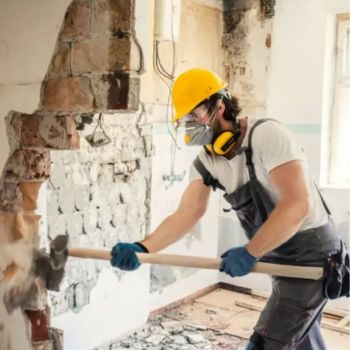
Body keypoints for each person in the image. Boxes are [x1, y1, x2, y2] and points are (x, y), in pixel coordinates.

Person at [111, 68, 348, 349]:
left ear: (219, 107)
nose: (189, 124)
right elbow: (187, 212)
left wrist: (250, 252)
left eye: (194, 115)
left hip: (313, 257)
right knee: (301, 340)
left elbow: (297, 204)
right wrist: (143, 248)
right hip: (278, 255)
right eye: (184, 119)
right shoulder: (209, 160)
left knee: (267, 342)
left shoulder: (267, 135)